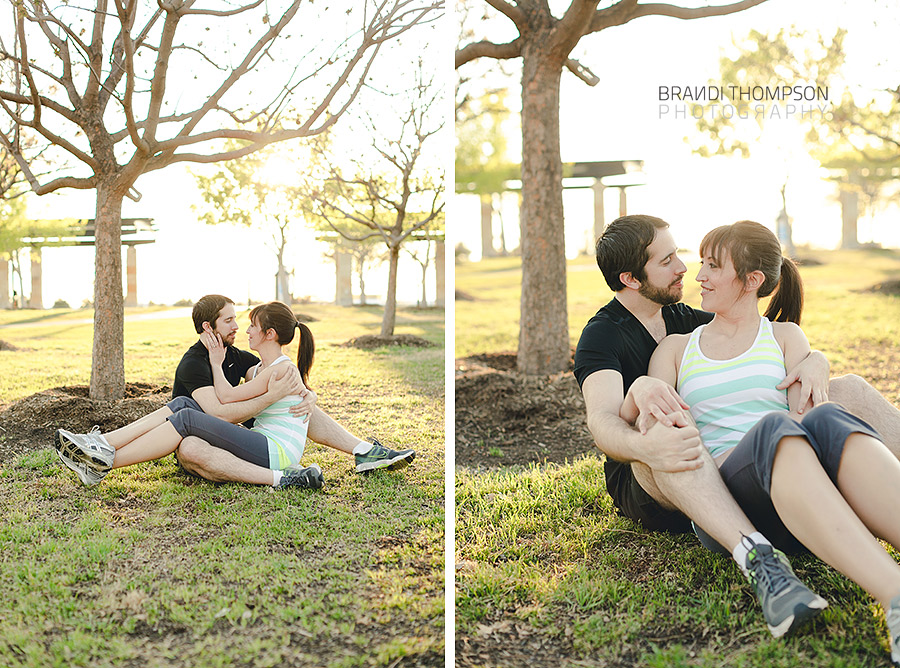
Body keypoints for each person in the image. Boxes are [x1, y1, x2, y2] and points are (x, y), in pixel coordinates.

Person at [574, 214, 900, 637]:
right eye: (669, 259)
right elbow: (603, 421)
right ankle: (761, 558)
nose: (689, 270)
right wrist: (642, 403)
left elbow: (760, 353)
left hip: (779, 462)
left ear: (750, 280)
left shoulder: (692, 319)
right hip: (655, 477)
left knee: (839, 401)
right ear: (632, 279)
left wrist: (815, 359)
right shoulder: (605, 336)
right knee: (693, 431)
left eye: (708, 264)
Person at [54, 298, 414, 486]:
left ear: (270, 335)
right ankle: (101, 448)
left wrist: (307, 393)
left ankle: (103, 458)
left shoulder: (267, 366)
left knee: (187, 415)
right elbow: (227, 405)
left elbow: (231, 400)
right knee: (184, 407)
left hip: (273, 450)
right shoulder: (204, 363)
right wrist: (278, 392)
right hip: (252, 443)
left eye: (250, 324)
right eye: (232, 321)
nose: (242, 329)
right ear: (209, 327)